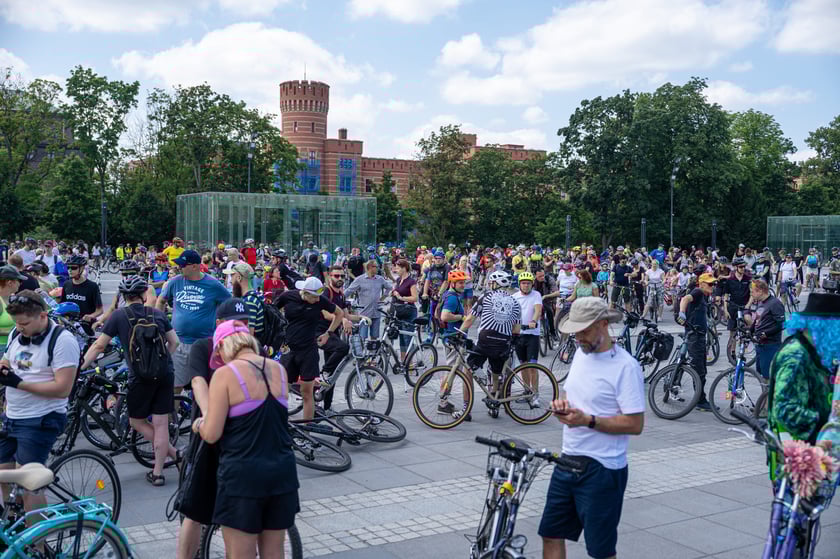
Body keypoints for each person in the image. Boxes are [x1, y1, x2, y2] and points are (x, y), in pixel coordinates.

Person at [539, 297, 644, 559]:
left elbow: (635, 424)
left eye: (584, 330)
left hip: (604, 469)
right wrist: (562, 408)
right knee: (551, 533)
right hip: (568, 458)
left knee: (600, 550)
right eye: (575, 331)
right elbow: (575, 398)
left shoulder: (626, 367)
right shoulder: (581, 355)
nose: (579, 337)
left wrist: (588, 420)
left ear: (604, 325)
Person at [192, 321, 299, 558]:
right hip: (282, 474)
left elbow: (212, 433)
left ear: (222, 345)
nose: (220, 360)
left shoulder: (225, 374)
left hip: (243, 476)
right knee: (274, 552)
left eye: (218, 354)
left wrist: (199, 424)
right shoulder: (279, 369)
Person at [81, 276, 180, 485]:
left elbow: (99, 346)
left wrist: (80, 366)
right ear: (144, 295)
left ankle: (176, 455)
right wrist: (163, 361)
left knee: (137, 421)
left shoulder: (118, 316)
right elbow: (175, 342)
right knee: (161, 424)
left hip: (140, 376)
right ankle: (159, 472)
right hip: (164, 374)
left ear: (124, 297)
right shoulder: (157, 314)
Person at [175, 298, 249, 559]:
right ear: (219, 324)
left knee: (237, 514)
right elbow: (197, 382)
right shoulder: (203, 347)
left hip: (240, 440)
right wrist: (209, 417)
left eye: (246, 323)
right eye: (236, 324)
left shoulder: (252, 352)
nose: (242, 329)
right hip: (206, 436)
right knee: (194, 512)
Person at [0, 291, 79, 515]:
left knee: (28, 485)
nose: (19, 327)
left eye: (24, 323)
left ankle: (37, 546)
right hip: (12, 416)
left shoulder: (62, 341)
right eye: (17, 323)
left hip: (41, 419)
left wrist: (19, 383)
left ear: (43, 316)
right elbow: (9, 357)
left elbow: (63, 388)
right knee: (2, 474)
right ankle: (14, 522)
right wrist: (4, 366)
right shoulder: (18, 332)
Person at [768, 293, 839, 450]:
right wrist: (823, 425)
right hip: (801, 457)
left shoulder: (812, 349)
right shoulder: (795, 356)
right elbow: (784, 408)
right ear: (828, 327)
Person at [157, 250, 231, 390]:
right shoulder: (175, 282)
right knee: (174, 386)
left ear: (195, 266)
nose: (180, 267)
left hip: (204, 343)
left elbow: (229, 305)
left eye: (183, 265)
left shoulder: (213, 284)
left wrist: (222, 327)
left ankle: (201, 411)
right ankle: (175, 412)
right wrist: (160, 324)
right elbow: (161, 300)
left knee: (205, 386)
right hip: (178, 342)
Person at [456, 271, 521, 419]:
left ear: (495, 284)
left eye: (491, 282)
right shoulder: (515, 303)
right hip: (503, 344)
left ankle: (466, 410)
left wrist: (459, 332)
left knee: (468, 372)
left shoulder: (485, 297)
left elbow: (470, 319)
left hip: (485, 341)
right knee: (496, 374)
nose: (490, 285)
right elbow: (516, 330)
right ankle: (494, 403)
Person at [275, 277, 342, 420]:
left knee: (307, 392)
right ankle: (281, 426)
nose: (318, 300)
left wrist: (328, 334)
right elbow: (273, 311)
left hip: (308, 350)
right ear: (305, 293)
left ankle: (307, 430)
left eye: (319, 297)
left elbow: (339, 313)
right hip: (289, 349)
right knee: (282, 391)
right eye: (314, 297)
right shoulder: (288, 296)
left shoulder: (320, 301)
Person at [678, 273, 718, 411]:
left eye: (713, 283)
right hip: (694, 336)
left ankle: (673, 384)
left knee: (695, 366)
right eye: (710, 284)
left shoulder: (705, 296)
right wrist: (682, 312)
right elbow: (685, 299)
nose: (712, 286)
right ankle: (700, 400)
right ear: (701, 284)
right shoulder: (698, 292)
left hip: (698, 335)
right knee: (699, 370)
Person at [345, 259, 393, 340]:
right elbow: (348, 291)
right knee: (362, 337)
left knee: (375, 336)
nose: (378, 269)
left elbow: (389, 287)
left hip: (376, 312)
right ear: (370, 267)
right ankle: (362, 352)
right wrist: (340, 299)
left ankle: (373, 352)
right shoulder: (359, 279)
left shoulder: (380, 279)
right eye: (376, 267)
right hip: (364, 313)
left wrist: (383, 297)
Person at [748, 279, 785, 380]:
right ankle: (765, 394)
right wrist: (749, 331)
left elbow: (782, 324)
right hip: (760, 344)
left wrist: (766, 333)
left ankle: (768, 395)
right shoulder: (761, 302)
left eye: (752, 292)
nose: (751, 294)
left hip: (770, 345)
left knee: (768, 377)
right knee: (761, 373)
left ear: (760, 291)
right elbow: (757, 320)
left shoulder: (775, 303)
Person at [720, 257, 752, 361]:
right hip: (733, 306)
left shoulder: (748, 279)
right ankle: (732, 353)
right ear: (736, 267)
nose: (743, 268)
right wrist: (725, 309)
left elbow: (752, 293)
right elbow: (726, 295)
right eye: (741, 267)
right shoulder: (730, 280)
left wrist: (748, 304)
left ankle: (747, 338)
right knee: (732, 332)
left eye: (744, 266)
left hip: (744, 305)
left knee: (748, 320)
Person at [59, 255, 102, 324]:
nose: (70, 270)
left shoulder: (92, 286)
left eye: (73, 268)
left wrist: (91, 316)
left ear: (82, 268)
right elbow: (62, 305)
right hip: (70, 325)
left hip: (86, 326)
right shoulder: (66, 284)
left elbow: (100, 310)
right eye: (68, 267)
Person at [390, 259, 419, 361]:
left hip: (409, 311)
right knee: (401, 337)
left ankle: (409, 361)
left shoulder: (411, 281)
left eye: (398, 267)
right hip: (399, 311)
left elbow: (415, 298)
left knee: (408, 337)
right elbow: (396, 291)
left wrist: (401, 298)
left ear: (404, 268)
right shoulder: (398, 280)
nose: (396, 269)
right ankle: (403, 360)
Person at [0, 266, 26, 355]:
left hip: (11, 347)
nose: (20, 284)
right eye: (19, 281)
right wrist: (14, 332)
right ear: (9, 282)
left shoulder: (11, 299)